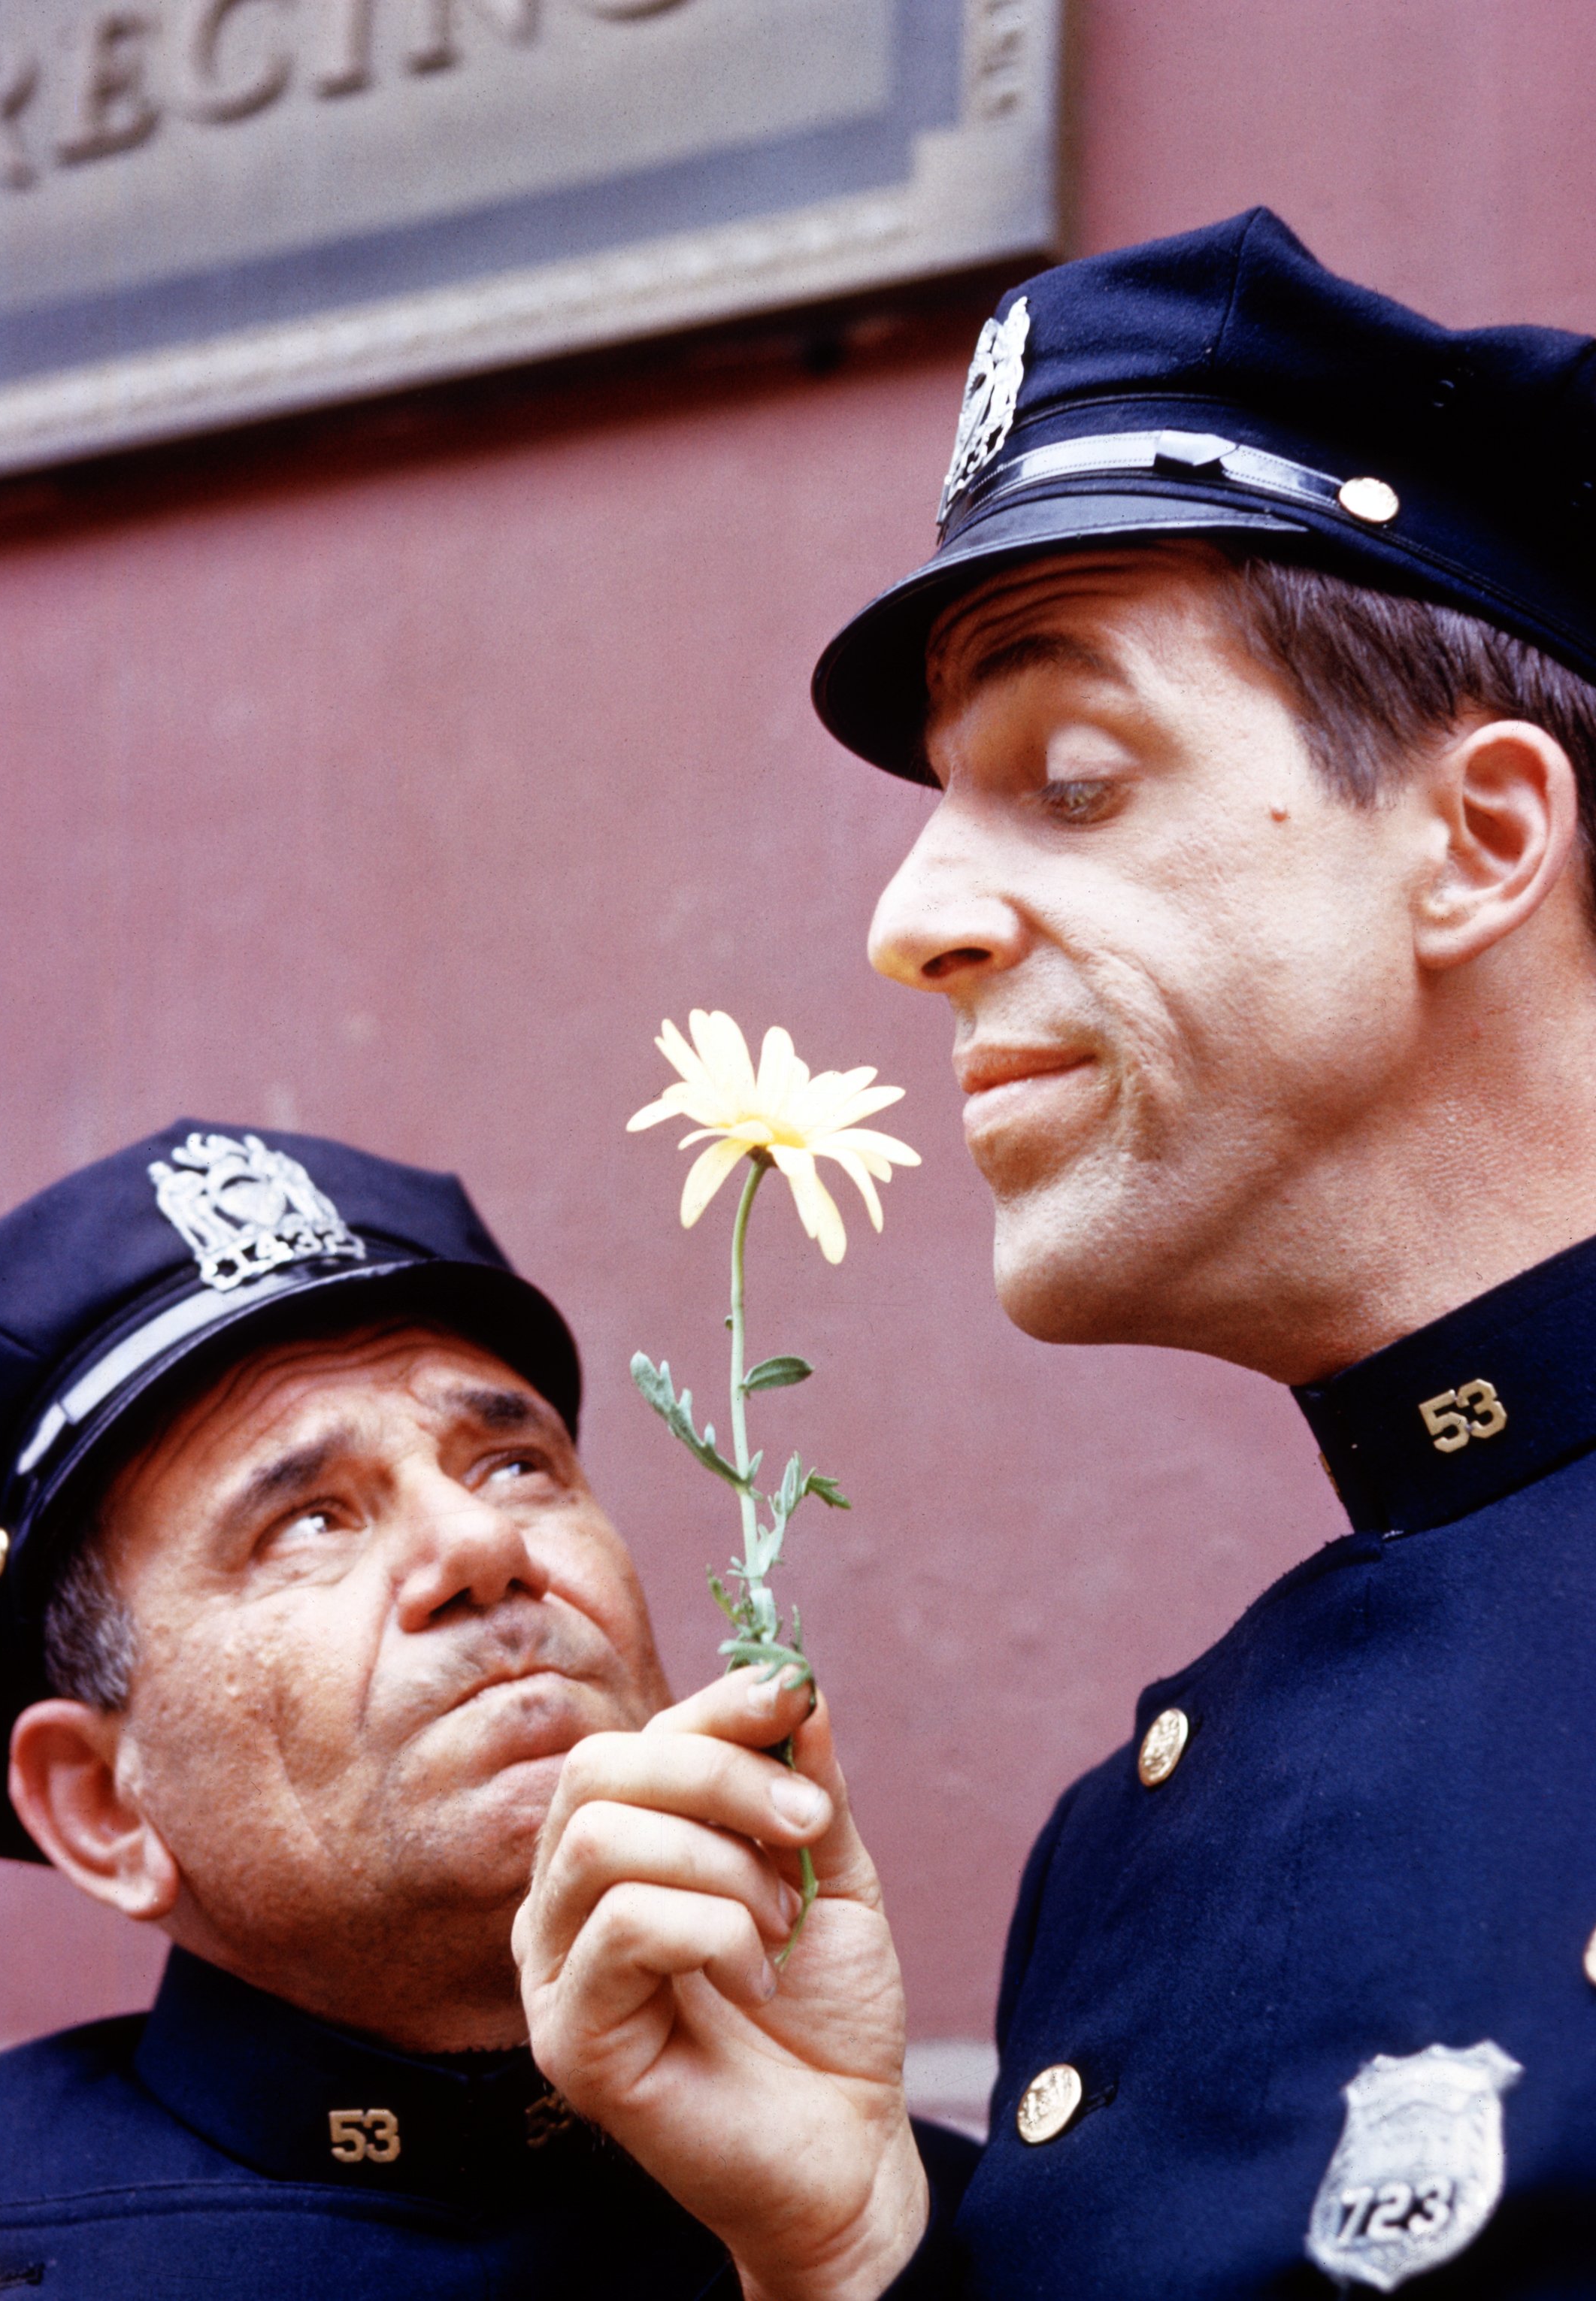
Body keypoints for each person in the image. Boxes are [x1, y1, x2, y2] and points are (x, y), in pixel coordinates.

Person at [514, 209, 1596, 2296]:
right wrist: (843, 2243)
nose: (910, 918)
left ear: (1478, 839)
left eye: (1073, 780)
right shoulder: (1129, 1840)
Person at [0, 1122, 982, 2300]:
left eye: (514, 1464)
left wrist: (843, 2262)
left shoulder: (935, 2213)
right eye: (310, 1519)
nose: (484, 1544)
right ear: (105, 1805)